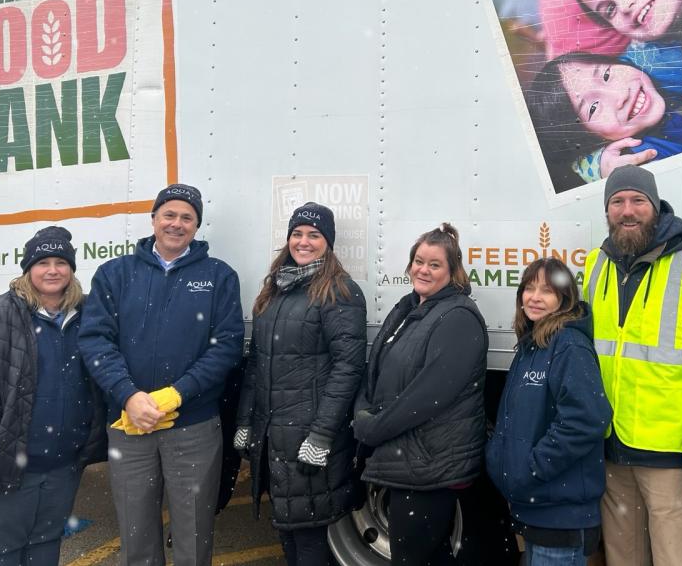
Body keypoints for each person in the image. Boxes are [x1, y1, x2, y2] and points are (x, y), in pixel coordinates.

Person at [580, 166, 682, 566]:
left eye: (638, 201)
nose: (627, 211)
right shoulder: (597, 264)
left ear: (656, 206)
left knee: (676, 559)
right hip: (613, 448)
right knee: (623, 559)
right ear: (607, 210)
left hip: (671, 456)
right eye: (617, 202)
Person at [79, 183, 244, 566]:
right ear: (153, 219)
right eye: (169, 214)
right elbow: (95, 341)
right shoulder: (114, 274)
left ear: (197, 226)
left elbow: (227, 347)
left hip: (193, 427)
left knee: (194, 535)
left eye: (187, 217)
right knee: (136, 539)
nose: (177, 223)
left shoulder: (218, 277)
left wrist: (178, 393)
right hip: (129, 423)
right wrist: (129, 395)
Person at [0, 226, 105, 566]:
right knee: (0, 552)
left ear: (72, 269)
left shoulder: (89, 315)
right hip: (8, 464)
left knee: (45, 546)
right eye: (43, 262)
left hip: (63, 465)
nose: (52, 270)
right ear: (28, 268)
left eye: (61, 262)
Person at [233, 202, 367, 566]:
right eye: (297, 233)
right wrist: (245, 422)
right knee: (288, 535)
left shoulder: (339, 291)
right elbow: (257, 366)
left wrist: (322, 436)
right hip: (273, 436)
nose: (303, 241)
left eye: (314, 235)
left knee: (310, 541)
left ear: (328, 242)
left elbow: (348, 368)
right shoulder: (275, 291)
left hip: (307, 437)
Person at [353, 223, 488, 566]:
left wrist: (372, 428)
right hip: (407, 459)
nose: (423, 270)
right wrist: (362, 411)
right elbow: (376, 371)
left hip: (429, 466)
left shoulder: (458, 317)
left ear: (452, 270)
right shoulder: (410, 307)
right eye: (418, 261)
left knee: (413, 559)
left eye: (434, 264)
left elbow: (428, 396)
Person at [486, 257, 611, 565]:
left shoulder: (569, 345)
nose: (535, 297)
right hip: (540, 510)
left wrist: (532, 468)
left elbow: (587, 419)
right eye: (529, 288)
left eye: (546, 290)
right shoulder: (533, 345)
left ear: (564, 298)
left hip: (561, 517)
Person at [526, 52, 682, 191]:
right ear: (589, 141)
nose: (619, 95)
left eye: (605, 75)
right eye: (593, 108)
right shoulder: (641, 157)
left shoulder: (666, 77)